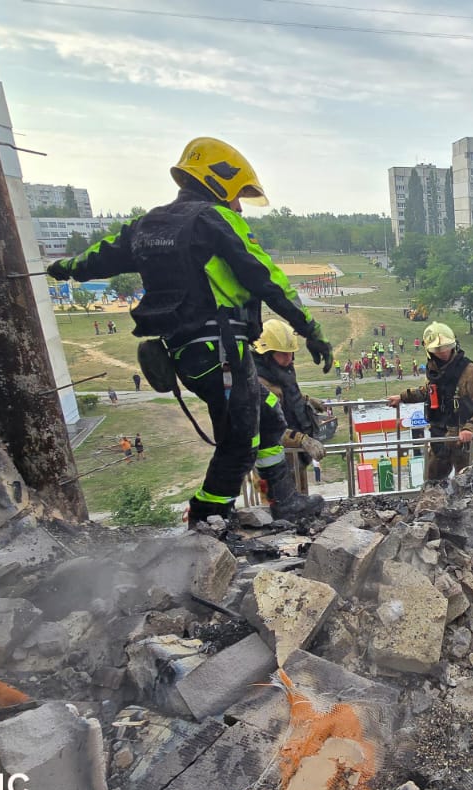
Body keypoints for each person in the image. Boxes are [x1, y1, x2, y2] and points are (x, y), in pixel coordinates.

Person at [47, 136, 333, 526]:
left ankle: (284, 500)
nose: (238, 207)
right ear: (220, 181)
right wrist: (310, 328)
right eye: (238, 197)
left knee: (268, 418)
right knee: (238, 443)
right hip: (223, 351)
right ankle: (207, 519)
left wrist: (64, 268)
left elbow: (99, 257)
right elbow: (268, 279)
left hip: (188, 353)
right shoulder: (214, 221)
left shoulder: (146, 225)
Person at [386, 322, 473, 483]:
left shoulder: (470, 372)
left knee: (468, 485)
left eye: (447, 347)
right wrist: (403, 397)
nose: (443, 352)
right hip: (440, 437)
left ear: (454, 345)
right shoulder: (435, 369)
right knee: (432, 482)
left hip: (465, 442)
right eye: (438, 349)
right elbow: (429, 391)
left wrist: (470, 429)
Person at [249, 319, 326, 519]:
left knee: (302, 503)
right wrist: (302, 440)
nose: (289, 358)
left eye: (291, 353)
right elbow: (267, 427)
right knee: (279, 512)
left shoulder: (280, 371)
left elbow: (286, 396)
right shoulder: (258, 383)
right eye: (283, 354)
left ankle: (304, 525)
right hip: (274, 466)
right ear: (266, 354)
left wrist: (306, 400)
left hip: (294, 457)